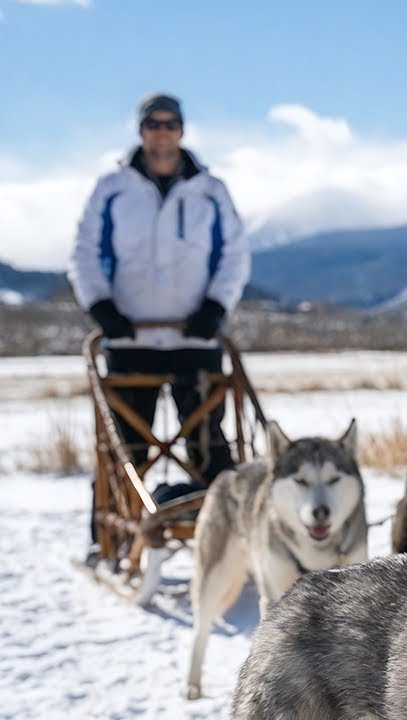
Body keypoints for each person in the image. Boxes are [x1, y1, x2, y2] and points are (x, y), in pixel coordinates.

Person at [68, 93, 250, 554]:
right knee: (127, 448)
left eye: (170, 124)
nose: (162, 132)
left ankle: (227, 542)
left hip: (195, 336)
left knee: (209, 448)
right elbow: (85, 251)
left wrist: (215, 306)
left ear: (182, 130)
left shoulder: (210, 190)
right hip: (131, 338)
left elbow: (234, 254)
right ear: (141, 129)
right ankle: (111, 539)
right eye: (154, 124)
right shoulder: (113, 188)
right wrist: (101, 306)